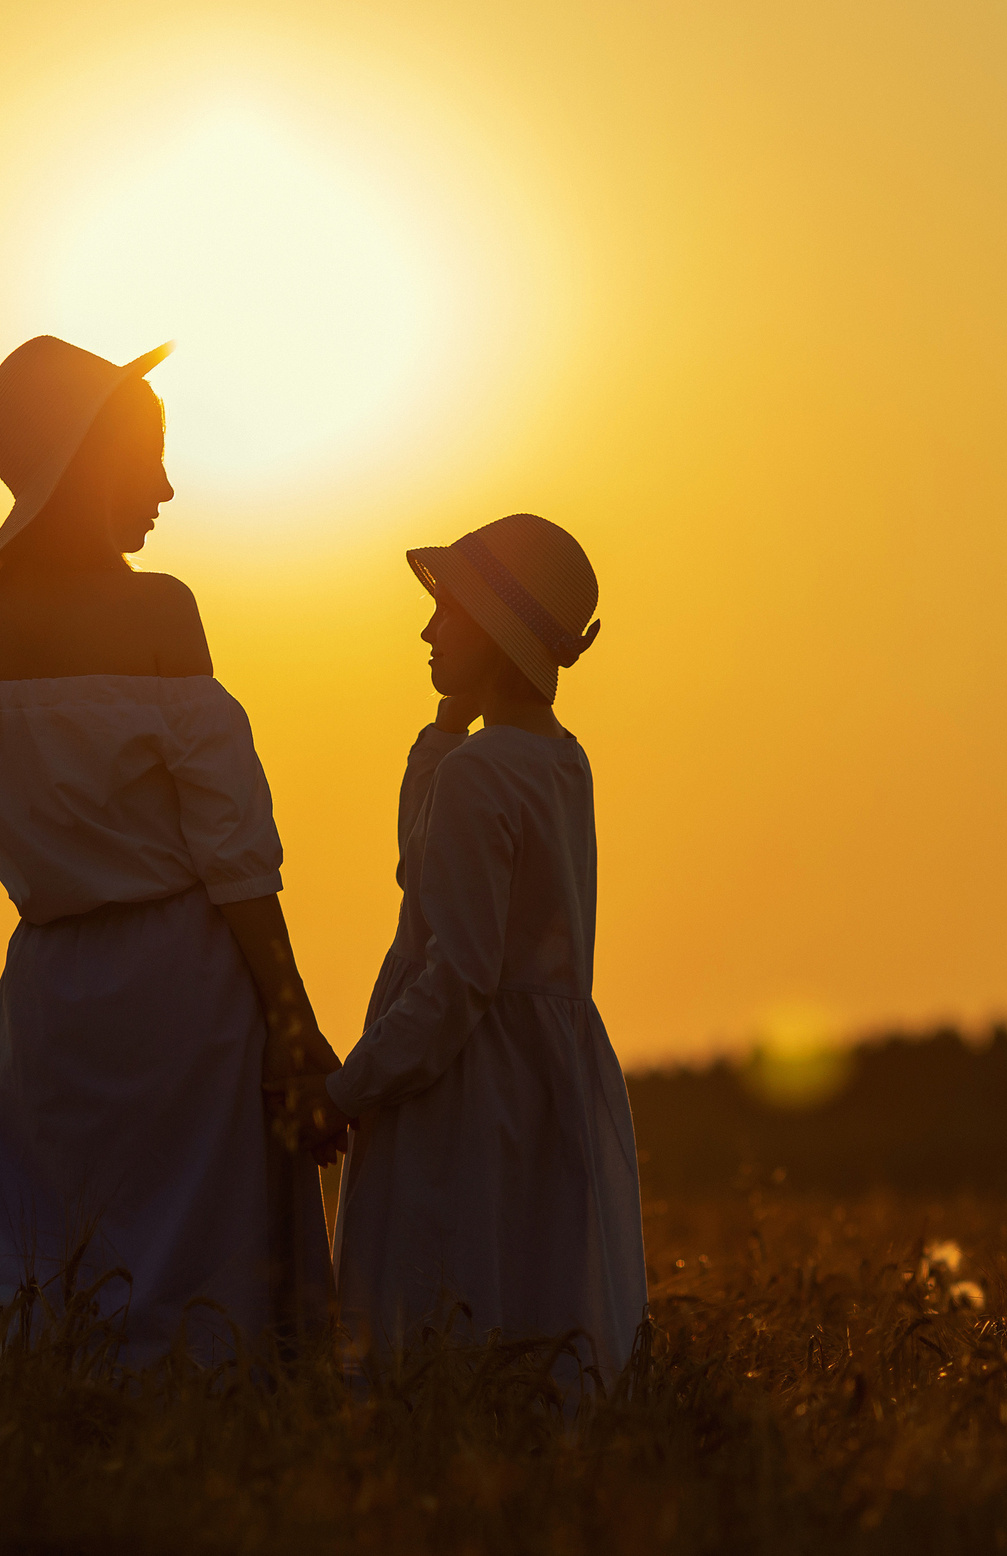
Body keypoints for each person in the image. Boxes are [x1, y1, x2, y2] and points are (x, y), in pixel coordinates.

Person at [0, 335, 340, 1360]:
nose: (164, 486)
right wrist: (292, 1024)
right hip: (186, 992)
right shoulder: (161, 613)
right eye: (141, 458)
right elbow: (234, 853)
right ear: (84, 465)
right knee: (211, 1299)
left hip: (48, 1004)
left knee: (69, 1291)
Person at [286, 514, 648, 1388]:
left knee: (444, 1306)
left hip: (464, 1087)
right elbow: (430, 853)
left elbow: (457, 976)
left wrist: (347, 1089)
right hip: (544, 1074)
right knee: (537, 1291)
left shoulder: (480, 774)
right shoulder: (559, 761)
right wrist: (452, 719)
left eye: (448, 613)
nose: (426, 629)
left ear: (492, 632)